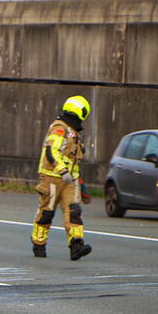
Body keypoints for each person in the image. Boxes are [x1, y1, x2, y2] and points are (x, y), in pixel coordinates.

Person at [30, 95, 92, 260]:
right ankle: (39, 244)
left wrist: (79, 182)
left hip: (69, 181)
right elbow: (51, 151)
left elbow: (73, 161)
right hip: (52, 178)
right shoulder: (60, 128)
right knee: (46, 213)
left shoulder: (73, 133)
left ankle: (76, 245)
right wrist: (62, 170)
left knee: (74, 212)